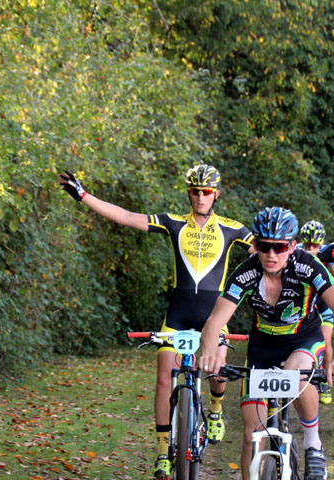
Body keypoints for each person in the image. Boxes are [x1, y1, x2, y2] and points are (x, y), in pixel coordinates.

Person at [59, 165, 254, 479]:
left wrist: (314, 254)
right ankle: (164, 453)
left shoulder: (232, 228)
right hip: (178, 315)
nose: (200, 197)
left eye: (206, 192)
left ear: (216, 194)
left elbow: (275, 248)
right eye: (194, 191)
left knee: (218, 362)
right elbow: (125, 215)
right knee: (165, 379)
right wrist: (83, 196)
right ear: (188, 193)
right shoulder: (173, 223)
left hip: (211, 316)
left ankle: (215, 411)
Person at [198, 207, 334, 480]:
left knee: (295, 373)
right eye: (264, 246)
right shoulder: (246, 272)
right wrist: (211, 353)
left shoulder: (307, 265)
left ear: (292, 246)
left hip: (303, 337)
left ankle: (312, 444)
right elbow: (214, 322)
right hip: (262, 345)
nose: (271, 254)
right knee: (251, 435)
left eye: (280, 247)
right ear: (256, 245)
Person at [299, 220, 334, 404]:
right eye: (307, 244)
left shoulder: (327, 252)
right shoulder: (295, 249)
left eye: (315, 245)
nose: (311, 248)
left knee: (324, 340)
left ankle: (324, 381)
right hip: (306, 302)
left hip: (325, 303)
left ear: (321, 243)